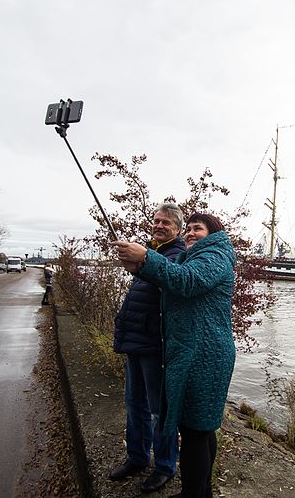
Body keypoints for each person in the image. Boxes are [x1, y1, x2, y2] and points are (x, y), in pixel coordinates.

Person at [114, 213, 236, 498]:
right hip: (195, 354)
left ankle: (193, 494)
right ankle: (200, 492)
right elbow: (171, 280)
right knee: (201, 429)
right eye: (190, 229)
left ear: (214, 233)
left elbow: (186, 282)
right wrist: (140, 267)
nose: (191, 233)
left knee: (195, 430)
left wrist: (146, 256)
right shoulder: (196, 256)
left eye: (198, 228)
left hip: (205, 355)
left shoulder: (215, 255)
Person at [109, 203, 185, 493]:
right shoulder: (152, 252)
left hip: (155, 345)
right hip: (136, 341)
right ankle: (137, 457)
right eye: (156, 221)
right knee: (134, 404)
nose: (159, 225)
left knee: (159, 411)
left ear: (177, 229)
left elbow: (171, 281)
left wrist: (143, 261)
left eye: (166, 222)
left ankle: (165, 466)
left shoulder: (178, 254)